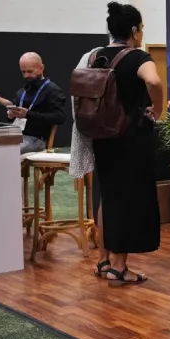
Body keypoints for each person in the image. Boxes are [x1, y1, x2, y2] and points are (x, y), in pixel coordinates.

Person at [89, 2, 164, 285]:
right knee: (128, 199)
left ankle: (104, 260)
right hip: (130, 138)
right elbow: (154, 82)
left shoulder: (96, 55)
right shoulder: (137, 58)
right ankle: (120, 268)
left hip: (101, 135)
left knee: (108, 196)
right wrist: (157, 108)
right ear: (134, 31)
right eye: (141, 28)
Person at [69, 46, 107, 277]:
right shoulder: (130, 58)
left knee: (104, 196)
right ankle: (115, 263)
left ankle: (104, 259)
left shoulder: (87, 58)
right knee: (111, 198)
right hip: (113, 135)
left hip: (90, 131)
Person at [9, 52, 67, 154]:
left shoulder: (53, 90)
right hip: (17, 135)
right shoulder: (22, 91)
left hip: (37, 139)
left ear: (41, 68)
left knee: (9, 150)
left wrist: (28, 114)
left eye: (30, 71)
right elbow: (14, 119)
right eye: (23, 72)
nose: (26, 75)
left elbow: (59, 117)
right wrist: (10, 115)